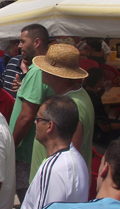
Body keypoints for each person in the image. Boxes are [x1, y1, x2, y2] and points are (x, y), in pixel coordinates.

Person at [13, 95, 89, 209]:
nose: (35, 122)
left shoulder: (54, 168)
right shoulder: (75, 159)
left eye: (38, 119)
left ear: (50, 126)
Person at [30, 44, 94, 183]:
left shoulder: (72, 106)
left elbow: (70, 158)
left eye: (46, 69)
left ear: (58, 75)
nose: (41, 70)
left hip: (54, 187)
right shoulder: (73, 96)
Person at [8, 24, 54, 205]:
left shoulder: (36, 71)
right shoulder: (44, 68)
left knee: (29, 202)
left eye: (22, 41)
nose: (19, 46)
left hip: (25, 152)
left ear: (37, 42)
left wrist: (11, 146)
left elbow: (26, 116)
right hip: (31, 151)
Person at [85, 68, 120, 146]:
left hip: (94, 128)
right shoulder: (95, 104)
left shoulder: (86, 93)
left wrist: (103, 89)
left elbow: (96, 96)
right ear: (99, 81)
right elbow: (105, 128)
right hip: (99, 134)